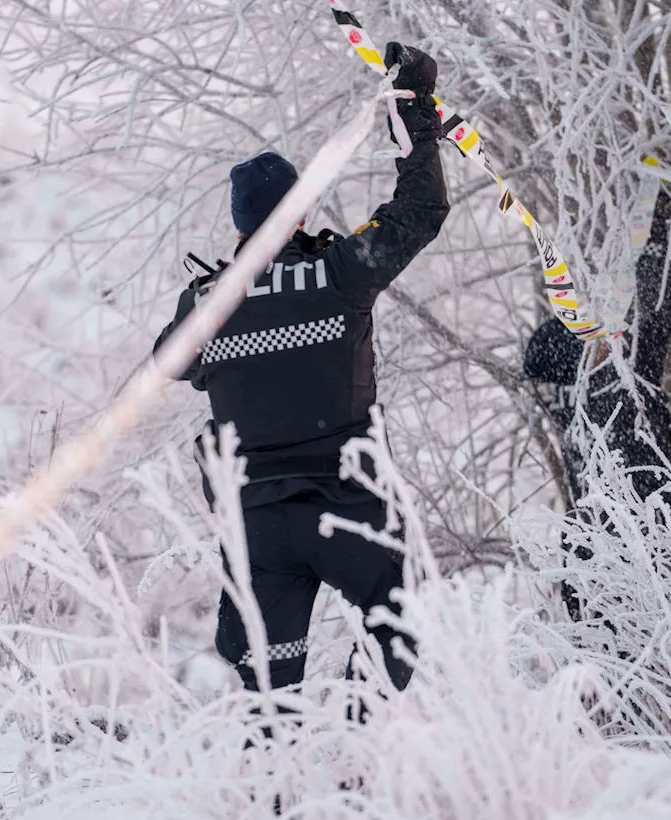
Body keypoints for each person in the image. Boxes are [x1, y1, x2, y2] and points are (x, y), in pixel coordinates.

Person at [153, 43, 449, 705]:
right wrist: (416, 112)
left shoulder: (207, 304)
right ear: (301, 213)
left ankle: (280, 799)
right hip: (348, 511)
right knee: (394, 643)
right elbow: (419, 210)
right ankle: (356, 745)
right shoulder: (339, 272)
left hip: (260, 533)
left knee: (266, 700)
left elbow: (169, 361)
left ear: (238, 226)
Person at [521, 188, 671, 622]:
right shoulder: (624, 380)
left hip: (616, 535)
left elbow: (651, 309)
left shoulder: (587, 391)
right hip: (631, 537)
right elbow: (653, 311)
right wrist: (654, 230)